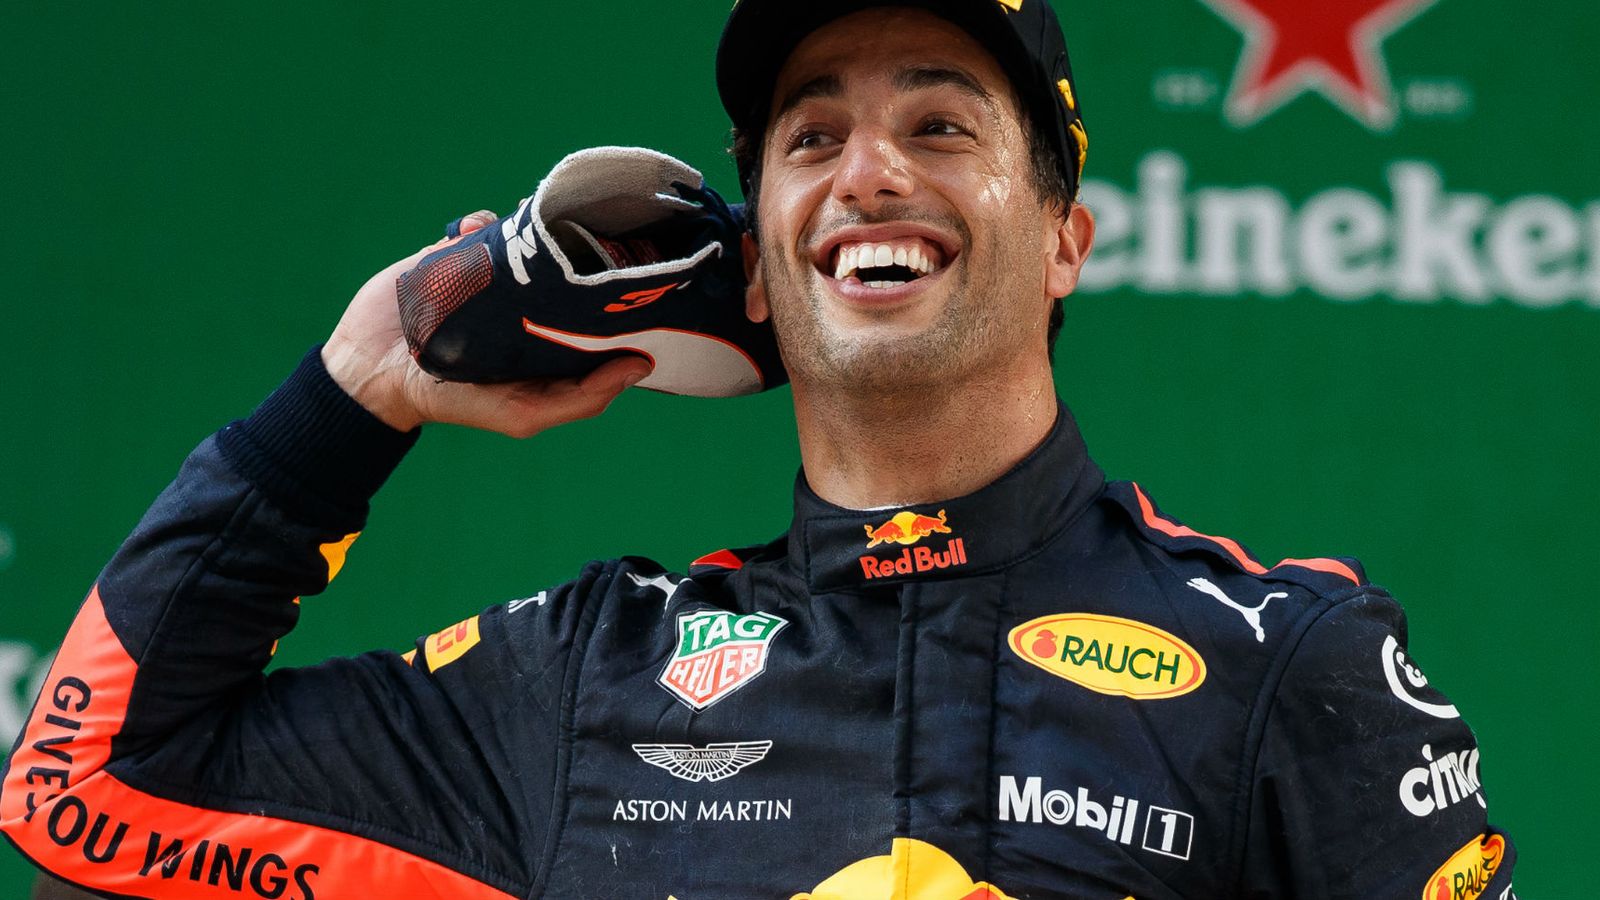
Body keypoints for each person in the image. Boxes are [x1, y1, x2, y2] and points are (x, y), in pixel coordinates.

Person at [2, 1, 1517, 897]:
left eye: (941, 127)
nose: (868, 174)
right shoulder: (583, 679)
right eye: (811, 138)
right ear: (755, 259)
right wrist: (353, 397)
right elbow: (92, 785)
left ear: (1067, 238)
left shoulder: (1287, 665)